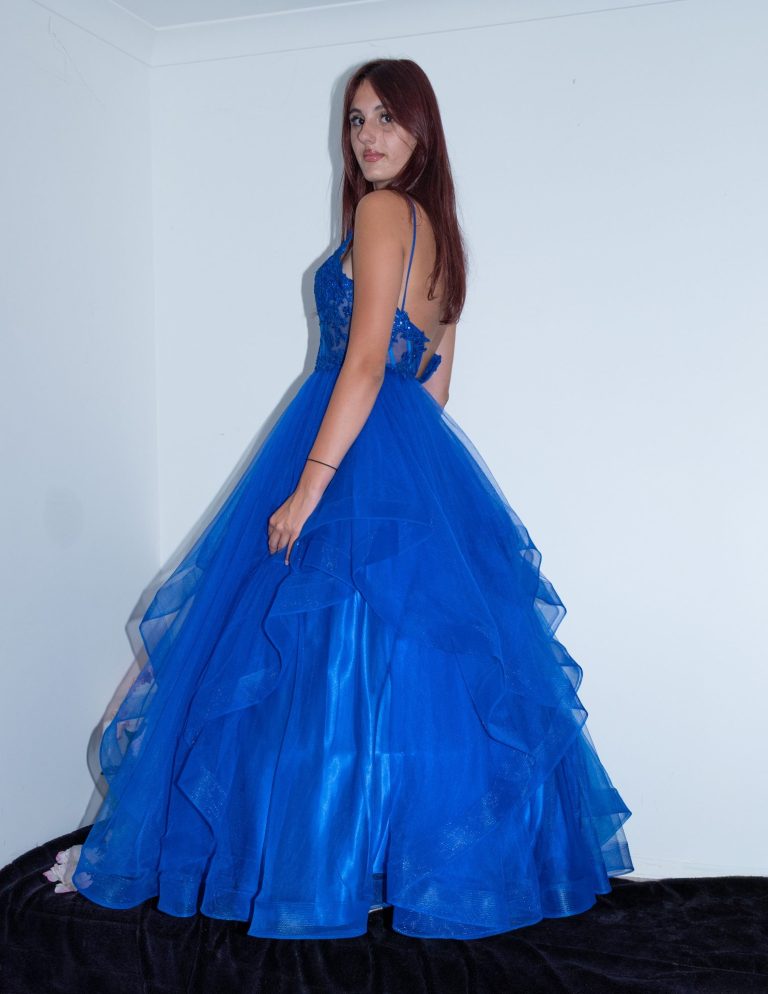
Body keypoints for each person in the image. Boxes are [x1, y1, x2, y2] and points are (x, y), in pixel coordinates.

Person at [45, 57, 633, 940]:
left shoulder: (383, 211)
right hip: (404, 453)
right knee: (392, 676)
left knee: (303, 672)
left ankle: (306, 872)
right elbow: (433, 388)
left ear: (422, 129)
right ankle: (403, 868)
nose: (367, 136)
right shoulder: (443, 236)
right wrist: (387, 463)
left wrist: (311, 486)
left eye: (387, 117)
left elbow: (361, 363)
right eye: (356, 119)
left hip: (344, 449)